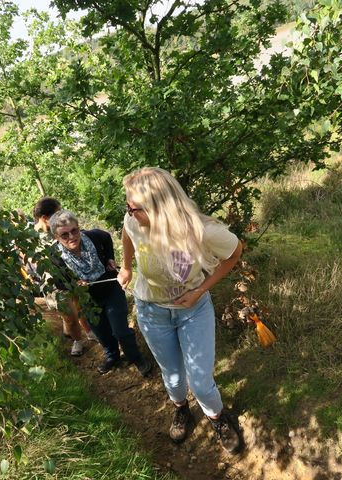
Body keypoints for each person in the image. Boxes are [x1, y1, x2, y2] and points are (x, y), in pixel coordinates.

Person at [117, 167, 245, 454]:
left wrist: (200, 290)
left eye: (134, 208)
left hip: (194, 311)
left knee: (200, 381)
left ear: (160, 208)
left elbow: (235, 252)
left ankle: (218, 418)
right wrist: (126, 266)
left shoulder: (201, 231)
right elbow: (127, 234)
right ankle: (181, 410)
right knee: (173, 376)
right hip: (151, 311)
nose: (129, 212)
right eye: (127, 206)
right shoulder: (134, 221)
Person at [49, 209, 152, 377]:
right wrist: (73, 285)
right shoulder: (54, 256)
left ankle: (136, 358)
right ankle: (112, 356)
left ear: (78, 227)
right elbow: (59, 281)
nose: (72, 237)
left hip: (111, 289)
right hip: (87, 299)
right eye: (64, 235)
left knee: (120, 330)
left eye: (74, 231)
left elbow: (106, 237)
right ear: (56, 237)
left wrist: (110, 258)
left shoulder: (94, 237)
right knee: (102, 332)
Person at [32, 197, 97, 356]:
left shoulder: (61, 229)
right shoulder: (33, 239)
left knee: (80, 305)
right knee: (69, 316)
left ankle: (89, 332)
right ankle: (77, 340)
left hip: (74, 276)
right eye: (57, 213)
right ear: (45, 219)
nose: (61, 216)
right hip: (56, 284)